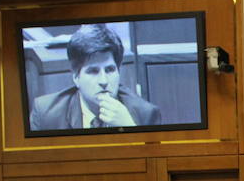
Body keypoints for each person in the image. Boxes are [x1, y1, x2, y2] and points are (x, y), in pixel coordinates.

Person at [29, 24, 161, 131]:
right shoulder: (46, 114)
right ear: (76, 77)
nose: (103, 81)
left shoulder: (145, 114)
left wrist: (130, 130)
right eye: (93, 71)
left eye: (109, 70)